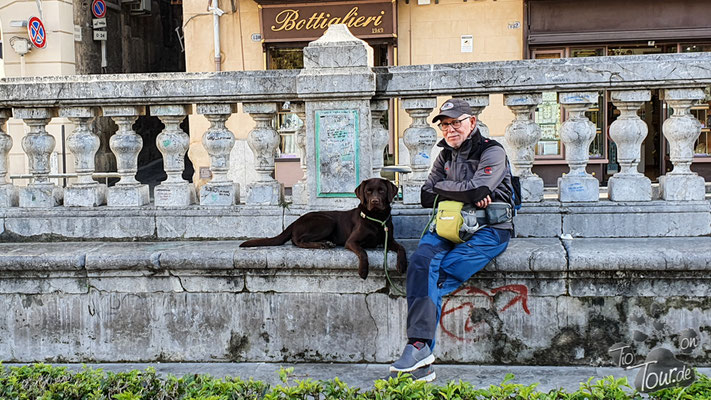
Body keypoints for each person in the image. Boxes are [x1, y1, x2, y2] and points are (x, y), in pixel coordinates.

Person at [390, 98, 515, 382]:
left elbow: (478, 188)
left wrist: (447, 189)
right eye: (445, 125)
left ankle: (420, 357)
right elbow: (425, 195)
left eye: (456, 123)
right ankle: (420, 349)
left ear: (472, 123)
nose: (450, 129)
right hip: (448, 228)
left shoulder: (491, 151)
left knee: (434, 274)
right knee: (421, 262)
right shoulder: (444, 156)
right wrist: (465, 192)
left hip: (490, 231)